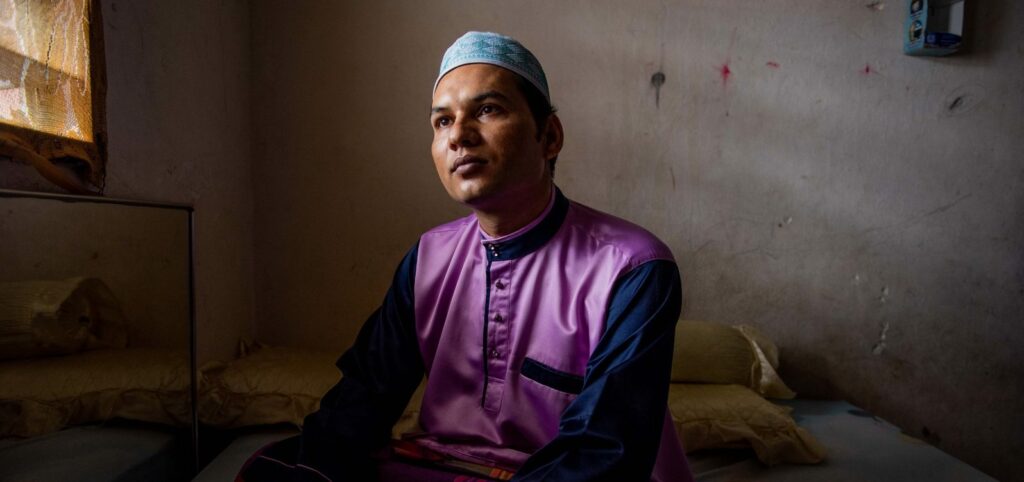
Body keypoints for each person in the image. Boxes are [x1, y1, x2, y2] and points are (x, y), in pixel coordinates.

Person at [237, 31, 693, 482]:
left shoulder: (633, 268)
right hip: (440, 465)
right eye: (442, 122)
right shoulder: (429, 258)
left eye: (488, 109)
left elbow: (605, 452)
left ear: (549, 136)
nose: (459, 136)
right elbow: (362, 400)